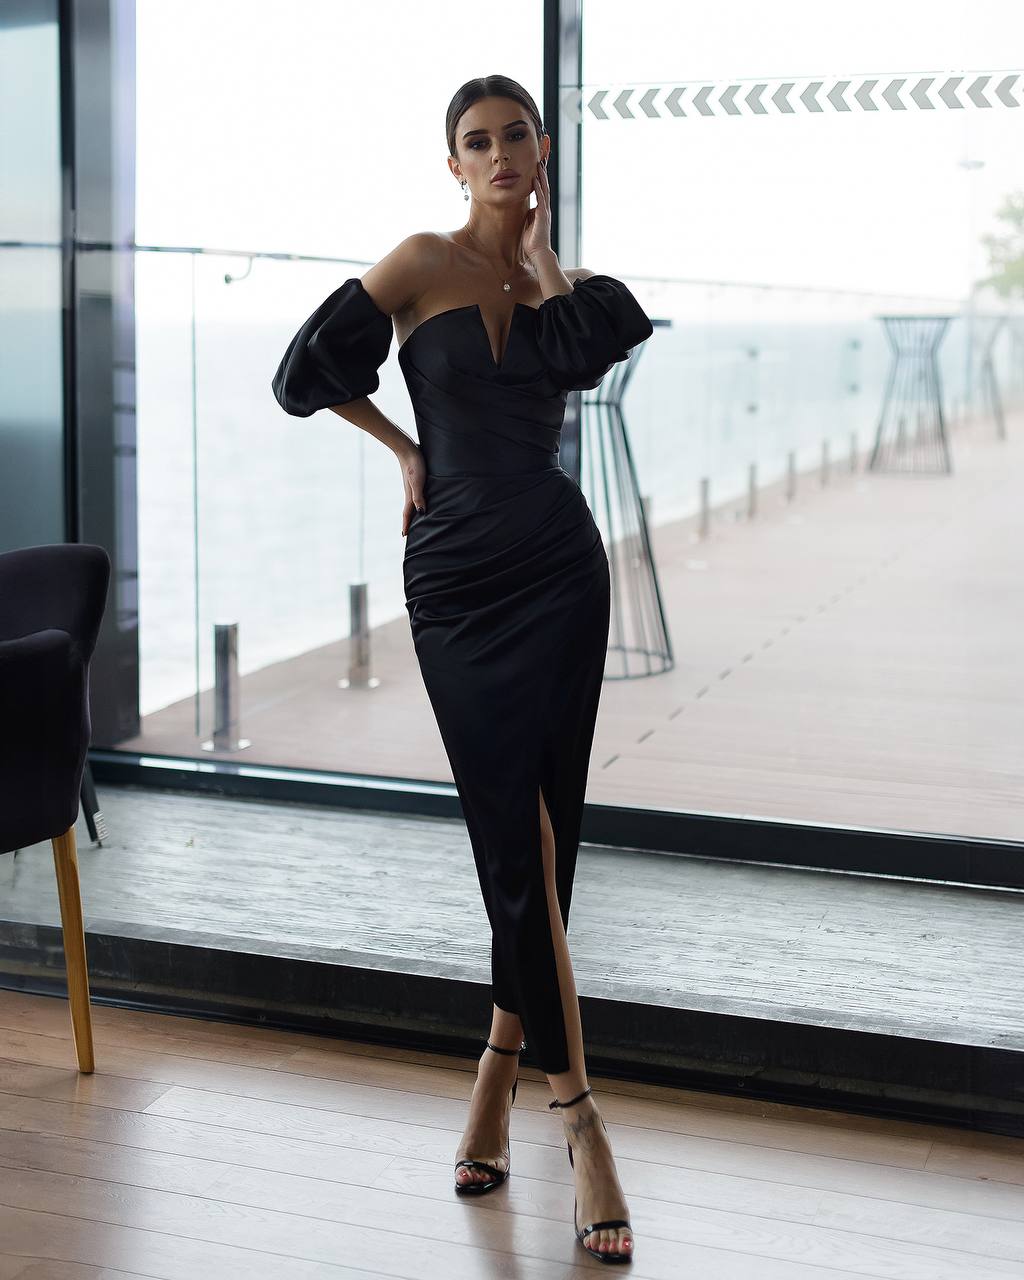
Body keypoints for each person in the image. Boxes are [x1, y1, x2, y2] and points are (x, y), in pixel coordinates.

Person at [272, 74, 653, 1264]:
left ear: (542, 152)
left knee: (547, 833)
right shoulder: (418, 260)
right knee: (512, 840)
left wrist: (541, 265)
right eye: (476, 142)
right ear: (452, 163)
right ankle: (580, 1119)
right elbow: (302, 374)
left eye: (515, 137)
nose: (497, 155)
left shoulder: (567, 286)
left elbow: (604, 339)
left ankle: (496, 1066)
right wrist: (401, 448)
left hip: (558, 568)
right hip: (456, 584)